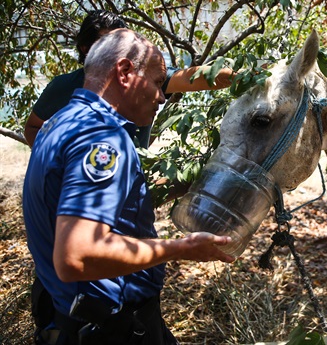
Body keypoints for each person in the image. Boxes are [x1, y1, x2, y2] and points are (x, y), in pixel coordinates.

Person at [23, 28, 235, 345]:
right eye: (156, 82)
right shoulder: (102, 137)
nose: (162, 96)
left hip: (71, 317)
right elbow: (77, 256)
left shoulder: (60, 121)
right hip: (110, 328)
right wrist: (181, 249)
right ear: (124, 73)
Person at [24, 10, 234, 148]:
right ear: (86, 49)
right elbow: (32, 129)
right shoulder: (63, 87)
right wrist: (61, 157)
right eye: (107, 44)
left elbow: (191, 78)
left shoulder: (143, 82)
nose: (160, 97)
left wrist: (240, 78)